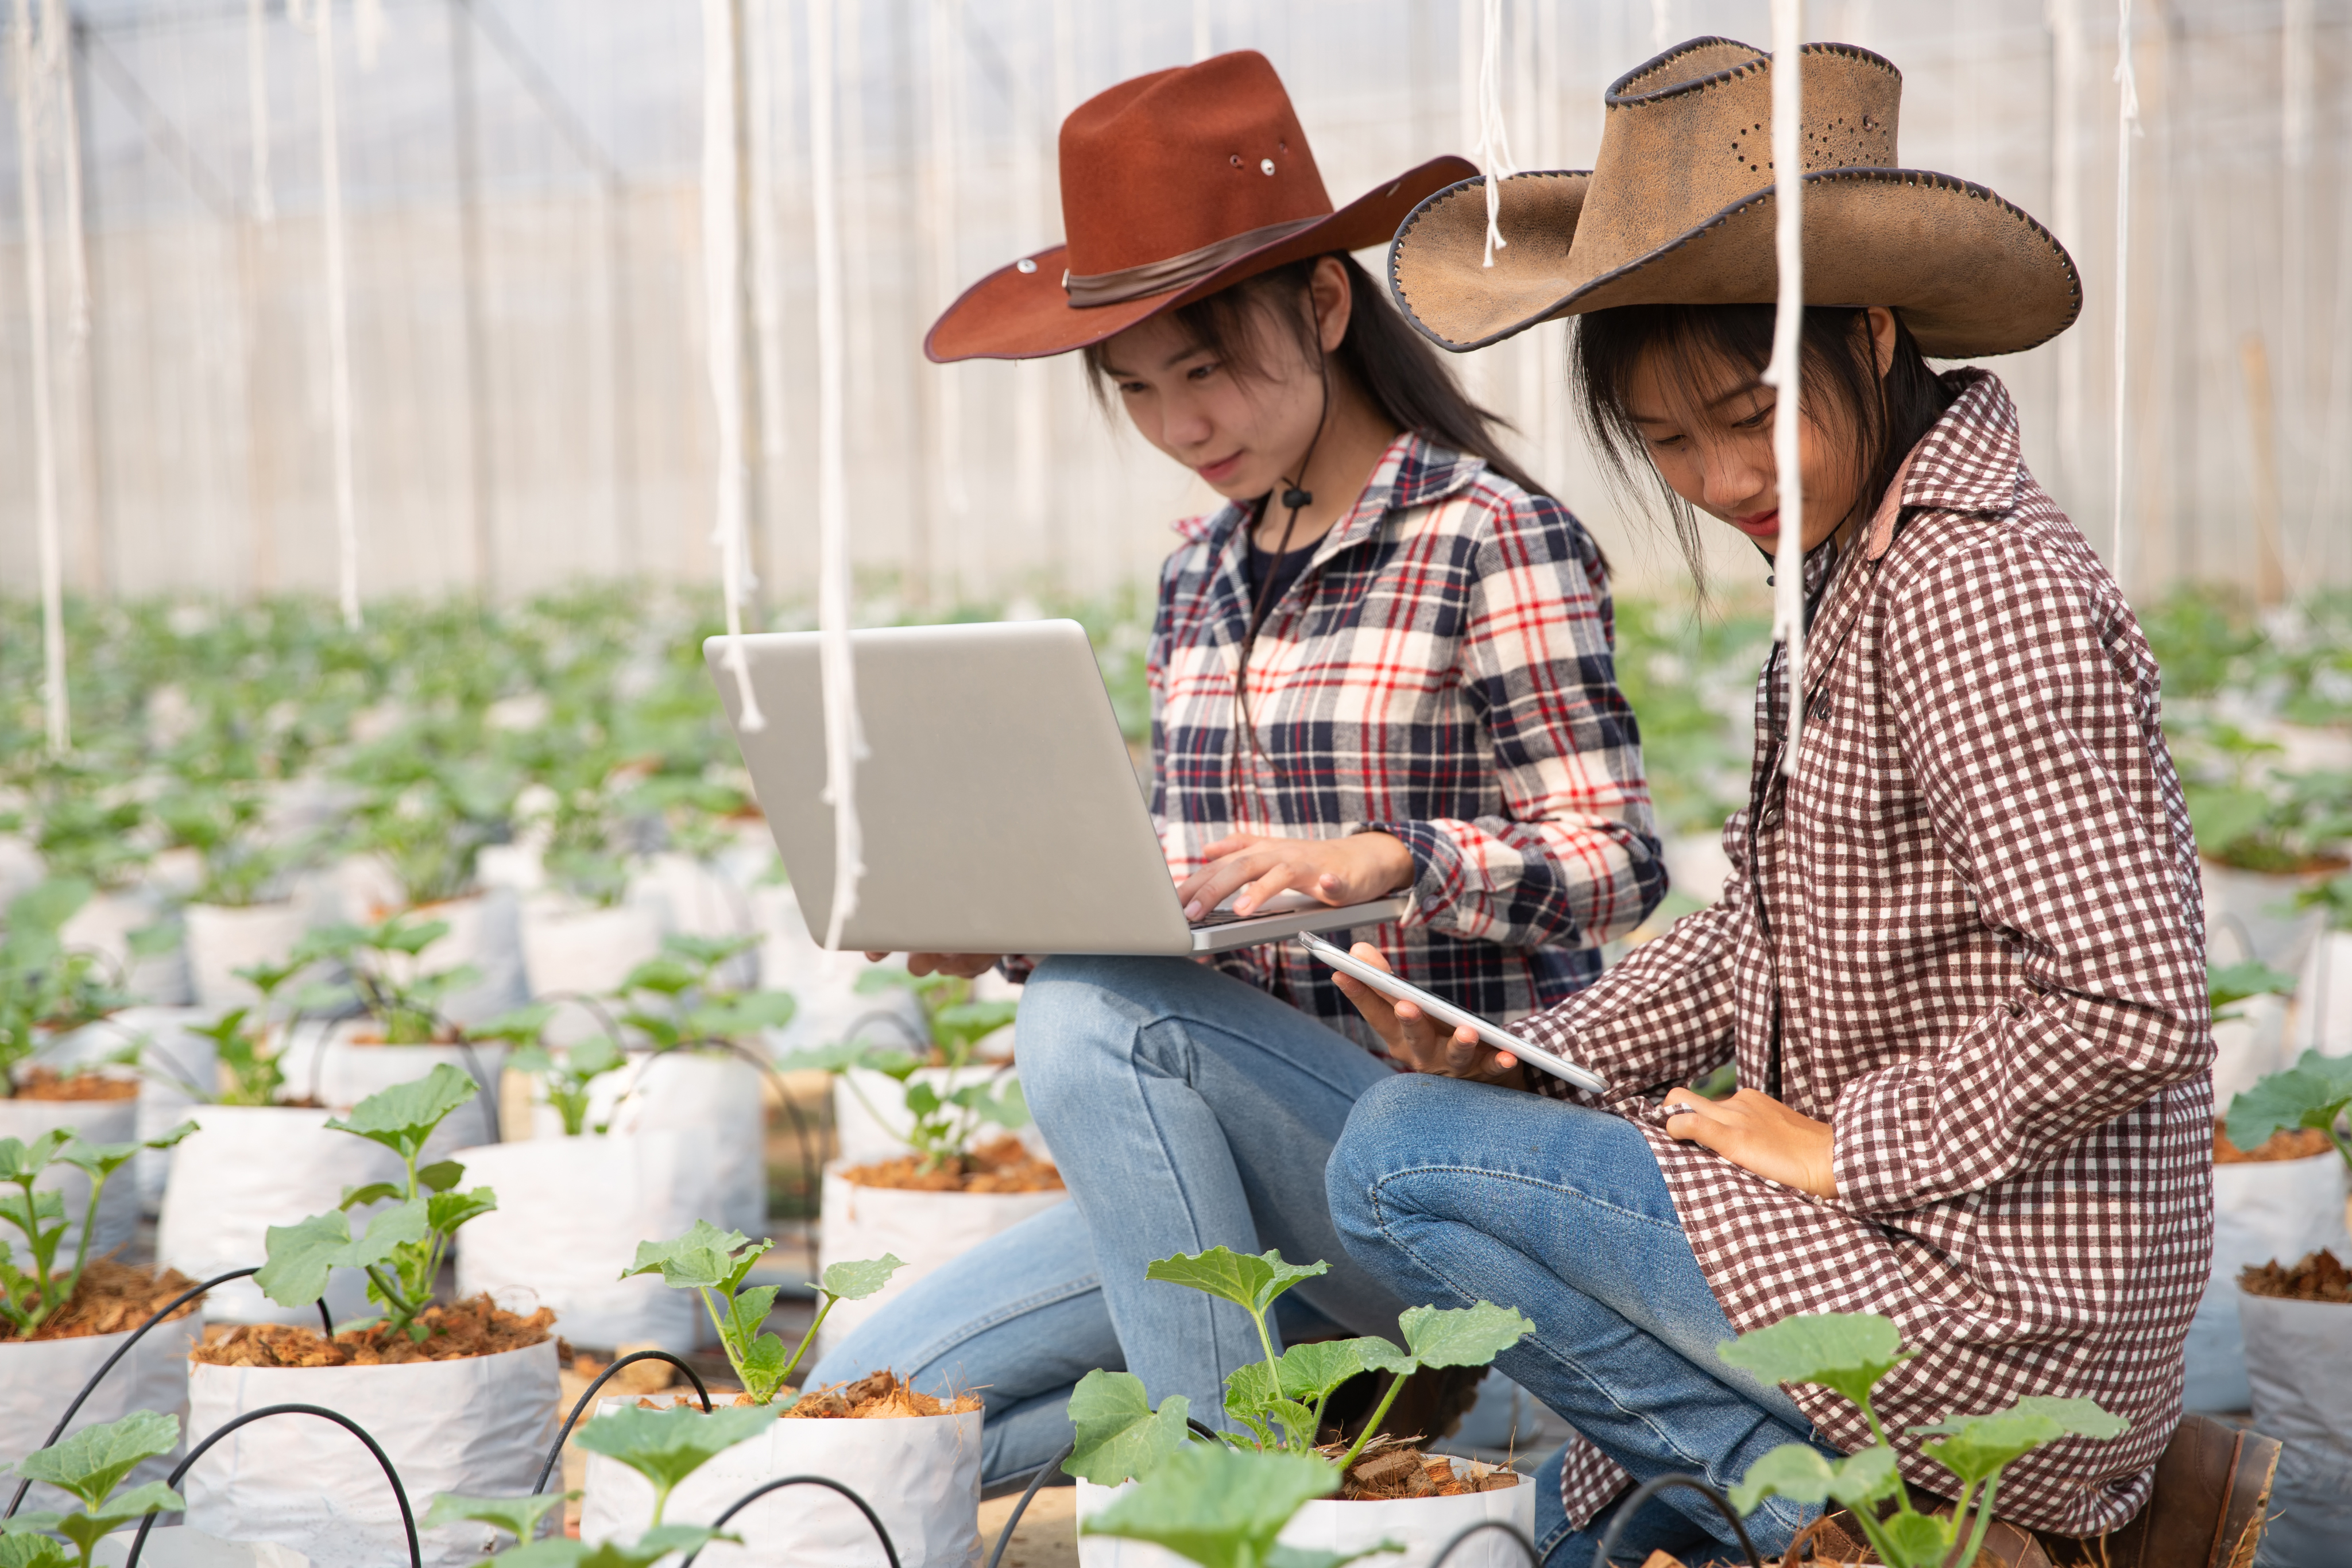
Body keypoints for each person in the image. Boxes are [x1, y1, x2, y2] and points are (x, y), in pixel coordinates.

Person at [1328, 36, 2250, 1568]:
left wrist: (1844, 1148)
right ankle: (1798, 1507)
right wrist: (1530, 1053)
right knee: (1593, 1543)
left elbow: (2132, 1002)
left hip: (1995, 1299)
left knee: (1391, 1158)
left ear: (1872, 334)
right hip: (1919, 1250)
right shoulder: (1853, 573)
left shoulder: (1975, 588)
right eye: (1672, 442)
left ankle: (1852, 1519)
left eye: (1747, 414)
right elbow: (1761, 924)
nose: (1718, 476)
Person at [809, 50, 1665, 1487]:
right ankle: (1300, 1442)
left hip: (1442, 1174)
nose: (1178, 427)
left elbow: (1616, 862)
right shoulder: (1197, 571)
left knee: (1092, 1012)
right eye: (1136, 390)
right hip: (1222, 1170)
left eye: (1202, 371)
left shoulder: (1485, 536)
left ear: (1324, 305)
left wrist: (1397, 858)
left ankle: (1218, 1492)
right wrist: (1018, 913)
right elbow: (1185, 899)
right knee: (854, 1403)